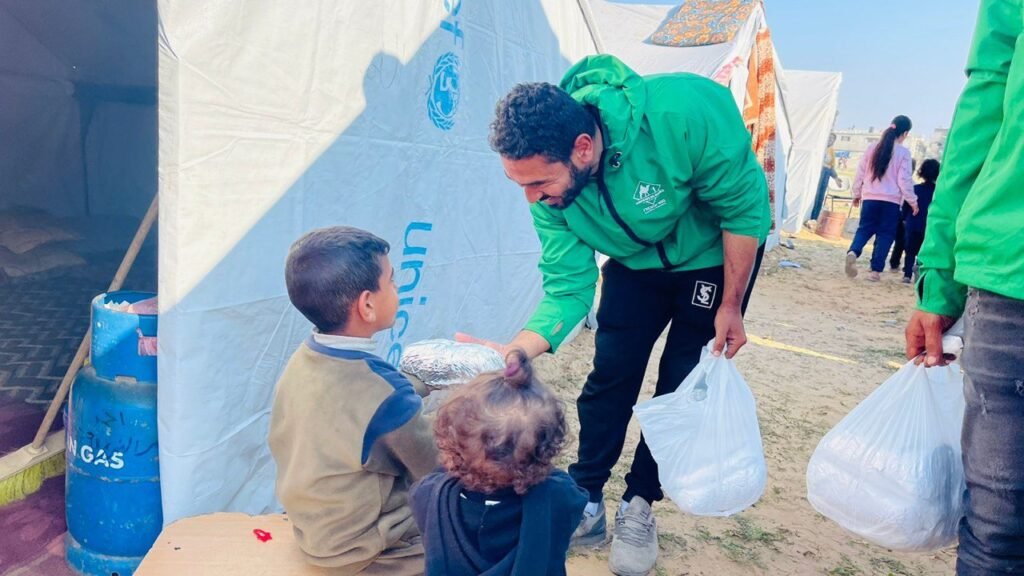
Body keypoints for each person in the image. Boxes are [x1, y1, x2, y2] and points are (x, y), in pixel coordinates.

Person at [458, 54, 770, 575]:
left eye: (539, 183)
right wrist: (519, 349)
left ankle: (640, 504)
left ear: (583, 148)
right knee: (609, 379)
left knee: (678, 387)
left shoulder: (682, 111)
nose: (533, 199)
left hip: (711, 260)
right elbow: (568, 287)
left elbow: (744, 209)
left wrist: (732, 304)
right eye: (523, 187)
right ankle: (586, 496)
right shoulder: (548, 200)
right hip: (634, 265)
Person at [905, 2, 1024, 573]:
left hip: (1012, 265)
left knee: (998, 533)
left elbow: (983, 106)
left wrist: (940, 283)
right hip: (1011, 273)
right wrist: (939, 284)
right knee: (997, 531)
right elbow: (987, 102)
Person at [269, 226, 438, 575]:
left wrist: (418, 388)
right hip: (366, 553)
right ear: (367, 305)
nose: (397, 288)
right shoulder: (387, 396)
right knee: (487, 536)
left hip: (314, 532)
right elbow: (436, 470)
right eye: (391, 281)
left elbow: (353, 405)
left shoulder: (303, 360)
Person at [411, 350, 588, 576]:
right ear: (547, 449)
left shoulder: (428, 494)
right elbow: (573, 500)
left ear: (449, 445)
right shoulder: (559, 496)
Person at [844, 115, 919, 282]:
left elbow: (860, 173)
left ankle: (853, 252)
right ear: (905, 133)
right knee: (886, 235)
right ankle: (875, 272)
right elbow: (904, 180)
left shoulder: (872, 148)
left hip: (870, 197)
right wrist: (912, 202)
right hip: (891, 202)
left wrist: (856, 193)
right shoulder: (903, 153)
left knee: (864, 229)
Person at [899, 159, 939, 283]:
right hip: (929, 225)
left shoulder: (915, 189)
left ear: (921, 172)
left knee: (910, 250)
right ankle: (919, 269)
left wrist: (904, 218)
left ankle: (907, 275)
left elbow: (906, 205)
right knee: (924, 250)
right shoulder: (938, 192)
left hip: (913, 223)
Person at [809, 133, 843, 222]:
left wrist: (836, 178)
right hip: (816, 174)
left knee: (820, 197)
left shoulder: (831, 151)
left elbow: (831, 166)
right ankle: (808, 216)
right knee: (813, 196)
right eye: (829, 138)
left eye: (833, 139)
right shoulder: (819, 149)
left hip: (825, 175)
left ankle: (814, 218)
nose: (830, 140)